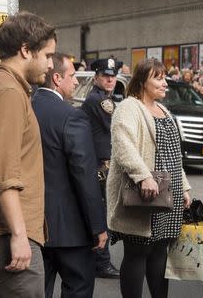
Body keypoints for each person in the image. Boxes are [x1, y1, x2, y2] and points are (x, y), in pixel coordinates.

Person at [106, 58, 192, 298]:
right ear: (142, 81)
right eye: (159, 77)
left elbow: (174, 154)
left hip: (166, 194)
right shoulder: (129, 107)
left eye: (165, 77)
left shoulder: (163, 109)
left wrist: (183, 187)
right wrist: (143, 176)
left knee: (159, 253)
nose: (165, 83)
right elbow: (123, 144)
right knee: (137, 254)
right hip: (144, 194)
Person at [31, 53, 108, 298]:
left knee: (36, 290)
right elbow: (84, 174)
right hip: (71, 230)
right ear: (56, 78)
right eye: (72, 76)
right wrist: (97, 226)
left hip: (31, 226)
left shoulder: (25, 108)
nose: (76, 82)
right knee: (78, 287)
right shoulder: (71, 116)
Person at [0, 12, 56, 298]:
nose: (50, 63)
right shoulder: (7, 91)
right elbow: (4, 173)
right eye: (47, 54)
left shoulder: (12, 89)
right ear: (25, 50)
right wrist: (20, 235)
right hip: (12, 235)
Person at [81, 57, 122, 279]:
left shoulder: (101, 98)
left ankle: (97, 260)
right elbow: (117, 125)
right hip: (100, 166)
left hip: (101, 165)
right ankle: (101, 263)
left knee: (100, 213)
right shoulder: (100, 101)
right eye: (105, 76)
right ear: (96, 77)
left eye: (113, 76)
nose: (110, 79)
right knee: (101, 215)